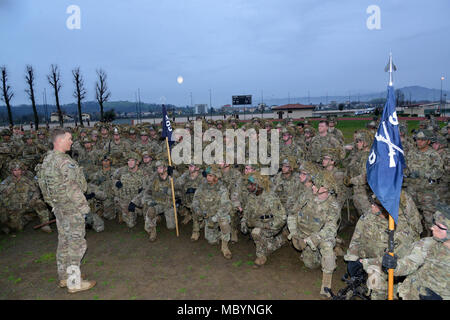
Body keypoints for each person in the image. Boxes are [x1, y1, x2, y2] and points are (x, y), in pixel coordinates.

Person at [37, 128, 96, 293]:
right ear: (60, 140)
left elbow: (43, 186)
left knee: (64, 242)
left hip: (59, 208)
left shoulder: (47, 160)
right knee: (76, 244)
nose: (72, 141)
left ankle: (64, 277)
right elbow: (73, 188)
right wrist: (85, 209)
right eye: (69, 139)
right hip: (71, 208)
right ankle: (74, 282)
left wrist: (53, 205)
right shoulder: (64, 161)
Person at [380, 204, 450, 300]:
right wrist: (394, 266)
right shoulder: (428, 243)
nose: (432, 228)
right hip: (412, 293)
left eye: (439, 227)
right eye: (434, 223)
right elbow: (411, 262)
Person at [241, 172, 287, 267]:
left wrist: (265, 226)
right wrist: (243, 221)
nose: (249, 187)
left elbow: (282, 218)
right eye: (249, 184)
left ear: (259, 186)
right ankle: (280, 239)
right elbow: (246, 211)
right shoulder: (251, 196)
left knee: (256, 233)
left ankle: (261, 256)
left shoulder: (271, 198)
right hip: (255, 224)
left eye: (252, 184)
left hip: (270, 226)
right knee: (260, 237)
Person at [192, 165, 233, 259]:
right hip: (207, 216)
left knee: (224, 222)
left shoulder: (222, 189)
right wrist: (198, 210)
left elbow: (225, 207)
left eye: (210, 176)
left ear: (216, 177)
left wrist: (214, 218)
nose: (208, 178)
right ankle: (216, 233)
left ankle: (225, 247)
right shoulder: (202, 186)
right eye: (207, 175)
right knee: (211, 240)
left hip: (218, 216)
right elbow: (195, 200)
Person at [0, 160, 52, 234]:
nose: (17, 172)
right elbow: (3, 192)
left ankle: (45, 225)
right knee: (16, 228)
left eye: (19, 170)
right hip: (15, 208)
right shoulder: (7, 181)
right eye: (15, 170)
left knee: (39, 203)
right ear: (11, 171)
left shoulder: (26, 179)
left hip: (28, 204)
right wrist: (13, 183)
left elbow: (36, 191)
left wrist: (34, 199)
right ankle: (27, 217)